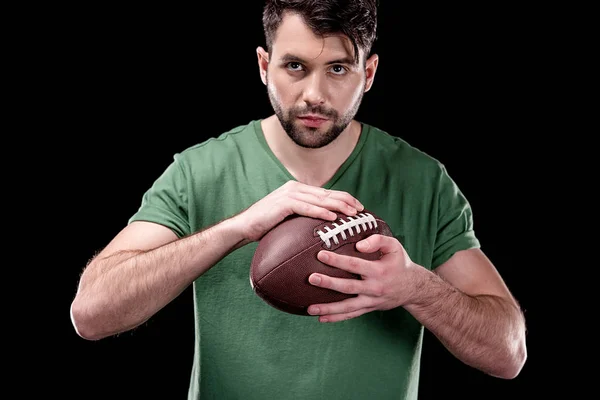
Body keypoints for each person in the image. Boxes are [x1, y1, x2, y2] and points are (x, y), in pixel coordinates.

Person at [70, 1, 527, 399]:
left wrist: (415, 287)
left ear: (368, 74)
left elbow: (508, 353)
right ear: (263, 65)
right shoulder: (201, 169)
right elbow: (90, 314)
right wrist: (237, 228)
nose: (314, 94)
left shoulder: (423, 180)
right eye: (295, 66)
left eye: (338, 69)